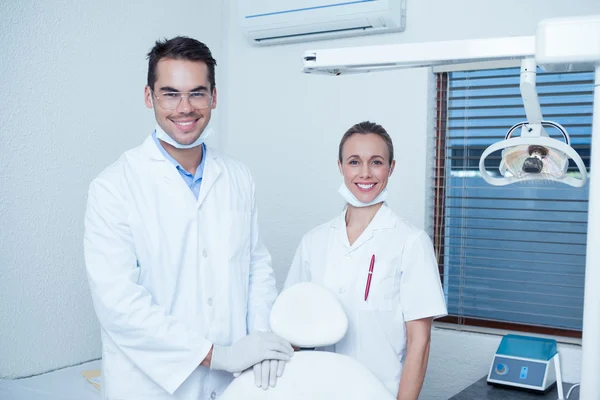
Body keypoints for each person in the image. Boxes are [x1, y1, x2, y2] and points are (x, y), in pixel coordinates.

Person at [83, 36, 293, 400]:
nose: (185, 107)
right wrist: (216, 355)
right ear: (149, 97)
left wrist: (260, 344)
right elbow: (119, 305)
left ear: (214, 97)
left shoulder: (238, 177)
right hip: (150, 388)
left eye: (197, 93)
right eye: (170, 94)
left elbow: (256, 267)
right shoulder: (113, 187)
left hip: (235, 385)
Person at [284, 121, 447, 400]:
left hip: (380, 393)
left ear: (391, 168)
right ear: (340, 167)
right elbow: (292, 327)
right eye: (354, 162)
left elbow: (419, 342)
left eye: (376, 162)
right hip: (319, 391)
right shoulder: (314, 242)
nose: (365, 173)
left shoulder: (410, 242)